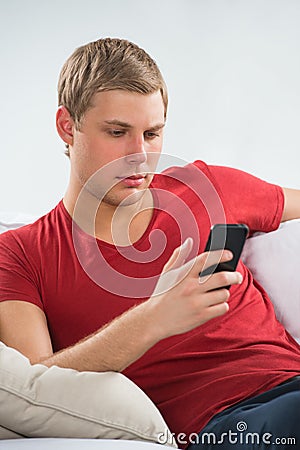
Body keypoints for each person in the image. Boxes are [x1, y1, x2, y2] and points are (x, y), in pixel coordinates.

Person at [0, 37, 300, 449]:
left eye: (153, 133)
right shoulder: (20, 254)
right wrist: (155, 318)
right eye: (118, 132)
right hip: (227, 425)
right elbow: (32, 387)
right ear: (67, 126)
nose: (139, 155)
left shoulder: (206, 187)